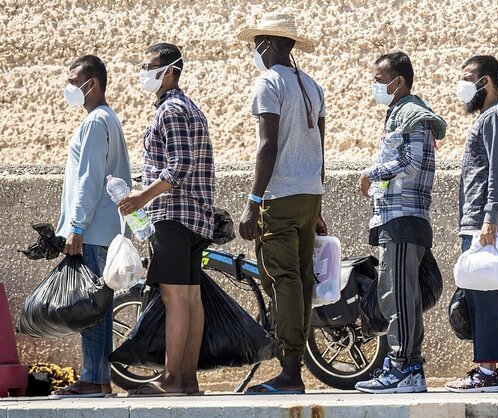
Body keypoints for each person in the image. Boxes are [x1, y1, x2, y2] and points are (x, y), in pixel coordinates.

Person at [236, 13, 327, 394]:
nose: (254, 50)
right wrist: (319, 206)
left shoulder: (267, 83)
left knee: (283, 280)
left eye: (257, 42)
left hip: (279, 198)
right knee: (302, 281)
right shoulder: (312, 85)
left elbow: (267, 145)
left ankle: (290, 373)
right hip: (309, 197)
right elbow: (320, 149)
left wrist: (253, 202)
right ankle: (294, 367)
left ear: (268, 45)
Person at [117, 42, 215, 396]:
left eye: (150, 66)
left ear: (171, 70)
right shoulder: (189, 108)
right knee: (190, 298)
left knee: (176, 299)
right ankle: (187, 379)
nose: (144, 73)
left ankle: (172, 379)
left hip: (174, 216)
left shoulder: (171, 110)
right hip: (194, 218)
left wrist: (142, 196)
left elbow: (179, 165)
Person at [354, 51, 447, 394]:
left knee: (401, 296)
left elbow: (412, 160)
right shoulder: (398, 114)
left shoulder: (413, 115)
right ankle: (402, 367)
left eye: (379, 80)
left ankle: (405, 367)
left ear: (399, 81)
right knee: (394, 295)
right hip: (394, 218)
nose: (374, 86)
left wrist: (371, 173)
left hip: (405, 219)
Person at [51, 55, 131, 398]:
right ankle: (98, 380)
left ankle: (93, 380)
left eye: (74, 81)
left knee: (92, 310)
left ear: (92, 83)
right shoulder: (106, 119)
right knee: (97, 308)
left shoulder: (95, 122)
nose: (69, 88)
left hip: (93, 232)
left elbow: (89, 178)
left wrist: (76, 226)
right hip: (102, 230)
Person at [444, 55, 498, 393]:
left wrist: (489, 218)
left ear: (486, 81)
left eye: (468, 77)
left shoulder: (493, 119)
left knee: (484, 296)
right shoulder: (493, 118)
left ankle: (487, 373)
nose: (462, 84)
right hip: (488, 223)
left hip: (484, 223)